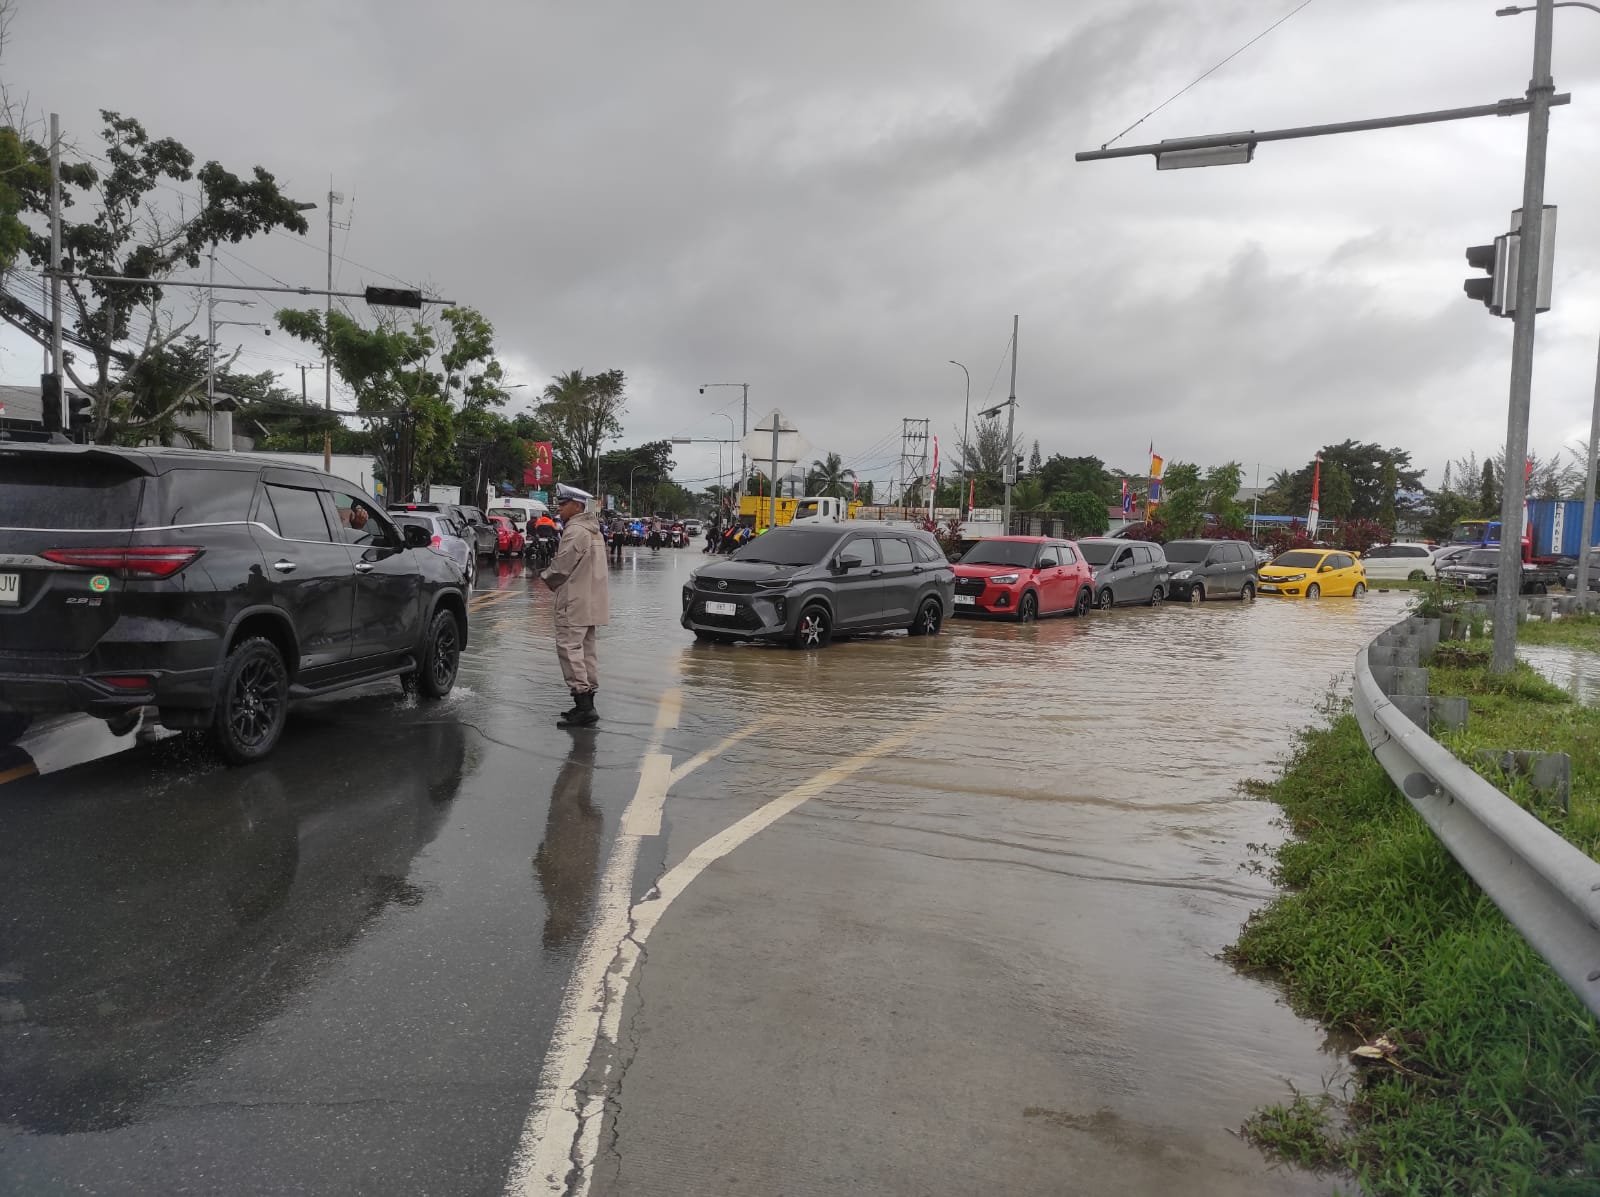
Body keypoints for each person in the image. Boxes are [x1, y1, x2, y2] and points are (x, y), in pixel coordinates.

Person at [540, 484, 609, 728]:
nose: (559, 509)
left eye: (563, 504)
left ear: (577, 506)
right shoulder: (594, 531)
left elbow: (561, 568)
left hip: (574, 600)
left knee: (569, 649)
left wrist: (546, 577)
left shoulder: (575, 531)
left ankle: (583, 705)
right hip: (592, 601)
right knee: (587, 652)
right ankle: (587, 702)